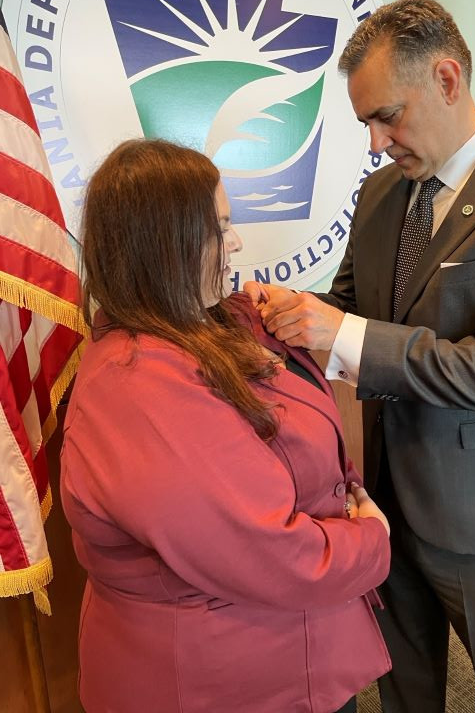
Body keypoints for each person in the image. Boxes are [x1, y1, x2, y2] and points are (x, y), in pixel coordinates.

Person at [244, 0, 475, 713]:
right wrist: (282, 317)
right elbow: (350, 310)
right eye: (366, 123)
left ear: (446, 80)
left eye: (387, 116)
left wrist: (336, 331)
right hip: (387, 497)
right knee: (404, 685)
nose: (376, 143)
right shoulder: (381, 192)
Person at [59, 139, 393, 713]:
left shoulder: (190, 326)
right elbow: (271, 553)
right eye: (218, 227)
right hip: (225, 681)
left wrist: (259, 313)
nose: (235, 242)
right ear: (161, 247)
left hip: (279, 652)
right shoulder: (136, 389)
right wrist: (371, 542)